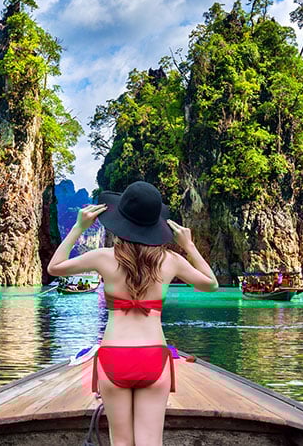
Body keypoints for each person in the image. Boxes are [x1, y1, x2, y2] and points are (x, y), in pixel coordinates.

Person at [47, 181, 217, 446]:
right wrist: (189, 245)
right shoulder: (170, 261)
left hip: (114, 355)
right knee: (151, 441)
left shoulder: (103, 257)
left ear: (119, 221)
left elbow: (54, 267)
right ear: (155, 225)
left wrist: (79, 227)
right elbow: (211, 284)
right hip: (154, 356)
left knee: (122, 442)